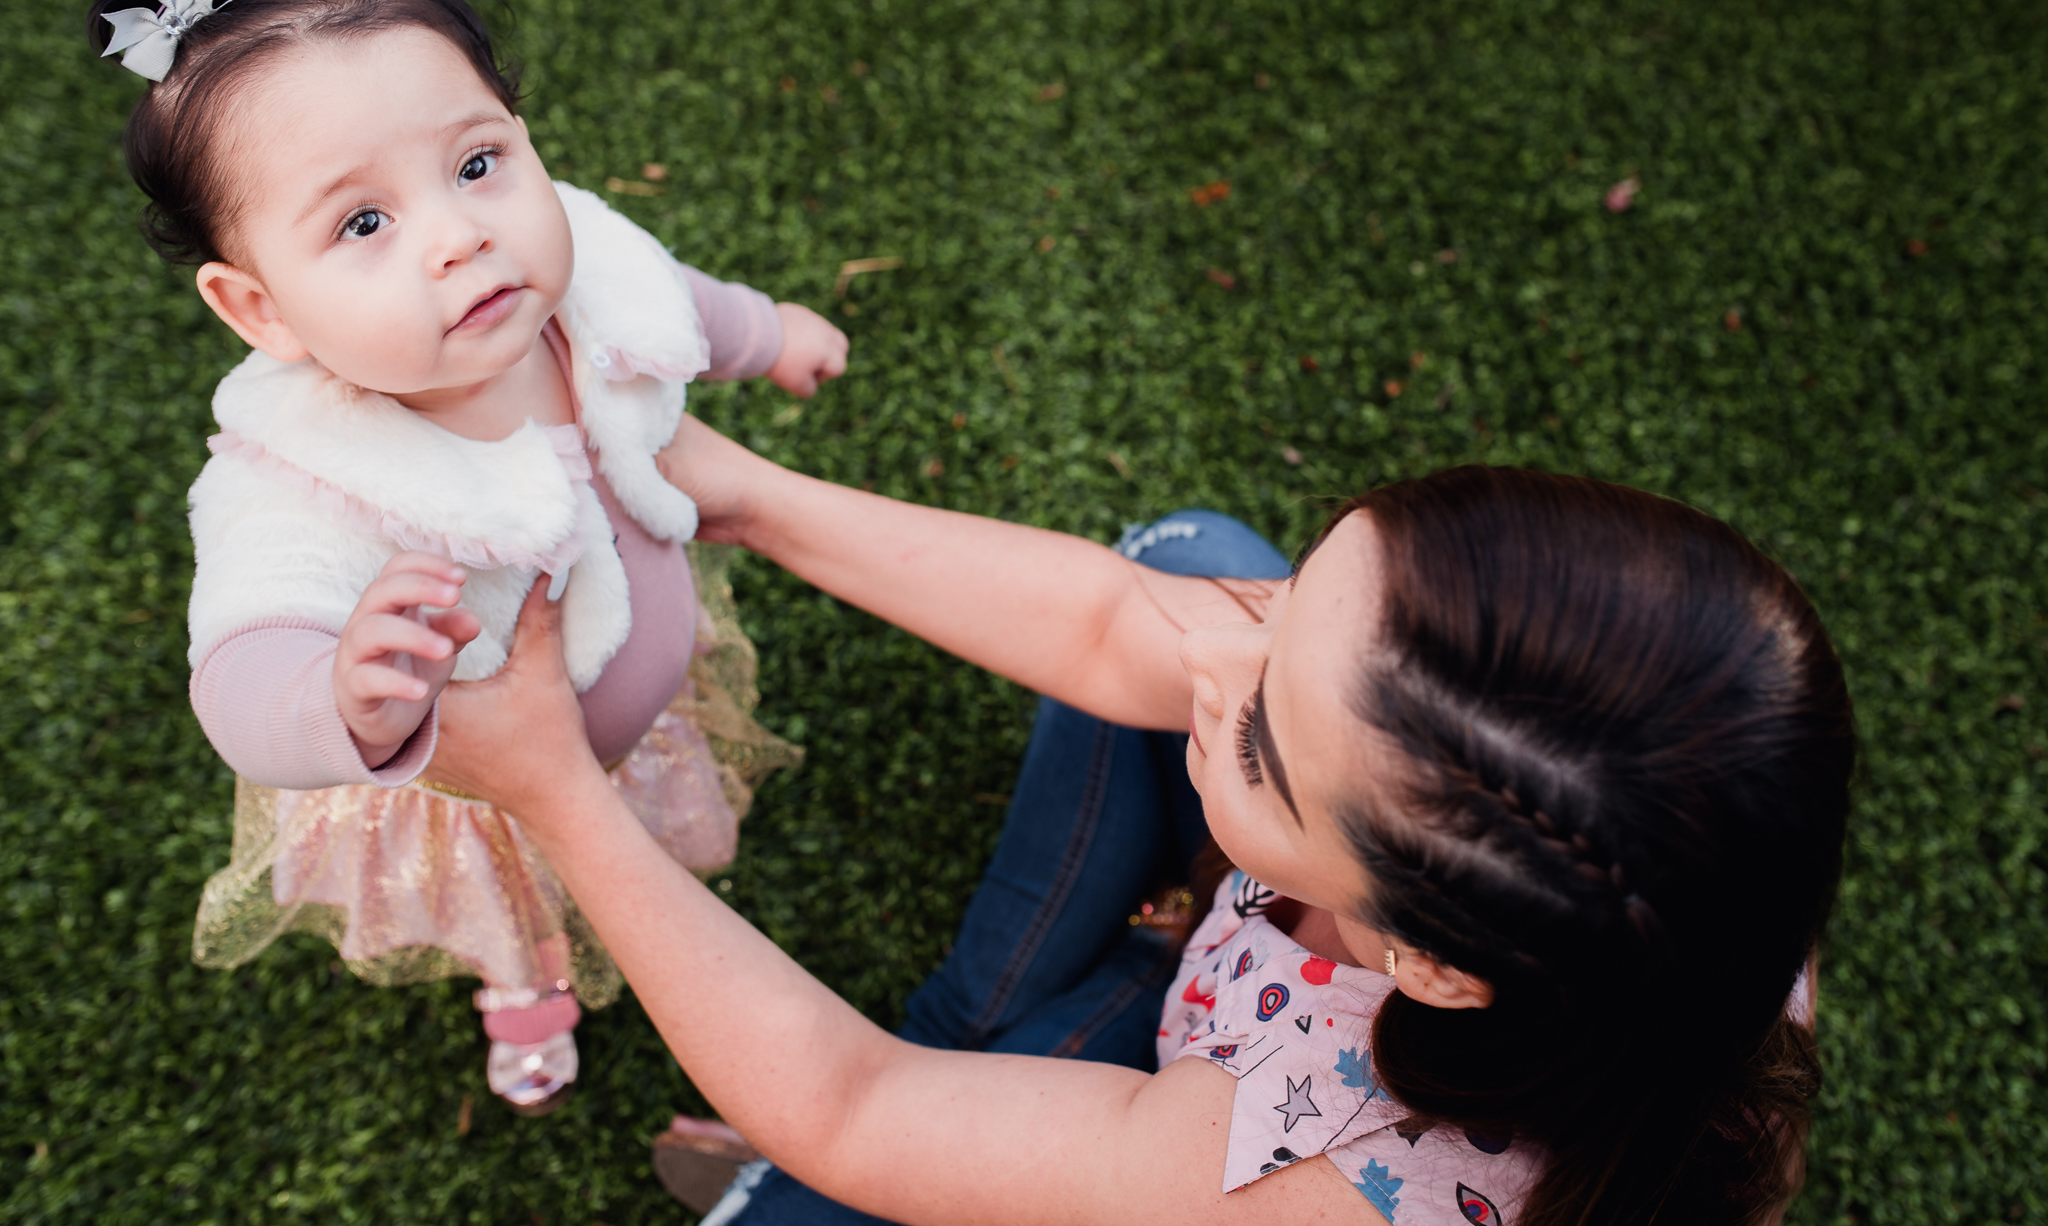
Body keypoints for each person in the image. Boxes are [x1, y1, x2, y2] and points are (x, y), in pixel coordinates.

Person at [428, 416, 1855, 1226]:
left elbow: (860, 1110)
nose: (1213, 654)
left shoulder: (1327, 1190)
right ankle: (1062, 1019)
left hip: (1201, 1134)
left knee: (835, 1166)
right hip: (1238, 1020)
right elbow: (1131, 619)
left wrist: (555, 786)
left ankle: (978, 1048)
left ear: (1432, 955)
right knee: (1185, 557)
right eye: (1297, 604)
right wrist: (750, 495)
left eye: (1262, 735)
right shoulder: (1673, 858)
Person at [89, 0, 846, 1111]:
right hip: (479, 786)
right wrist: (337, 695)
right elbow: (239, 665)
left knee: (637, 825)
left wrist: (767, 332)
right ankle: (524, 987)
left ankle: (641, 891)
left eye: (478, 162)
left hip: (627, 680)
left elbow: (668, 297)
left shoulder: (572, 272)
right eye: (362, 224)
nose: (458, 235)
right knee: (520, 903)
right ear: (258, 307)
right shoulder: (302, 471)